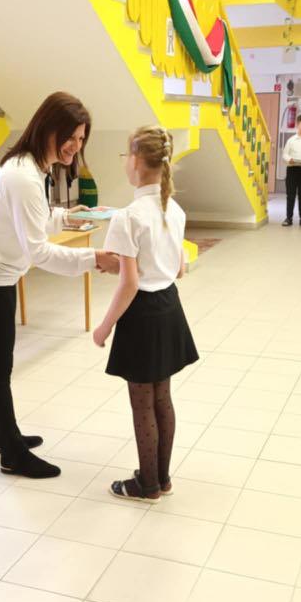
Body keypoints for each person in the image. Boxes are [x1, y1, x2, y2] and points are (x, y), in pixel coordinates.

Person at [0, 92, 119, 480]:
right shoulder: (23, 176)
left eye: (81, 139)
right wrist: (95, 258)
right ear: (48, 129)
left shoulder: (31, 166)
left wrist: (65, 217)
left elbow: (29, 221)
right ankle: (12, 454)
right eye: (70, 137)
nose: (75, 146)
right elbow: (39, 252)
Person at [93, 125, 198, 503]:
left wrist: (104, 326)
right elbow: (179, 269)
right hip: (169, 307)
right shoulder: (174, 209)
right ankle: (162, 479)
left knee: (142, 404)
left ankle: (146, 485)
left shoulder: (129, 216)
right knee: (162, 398)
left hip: (141, 315)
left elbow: (130, 284)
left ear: (136, 162)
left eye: (126, 156)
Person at [281, 114, 301, 227]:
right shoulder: (291, 140)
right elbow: (285, 154)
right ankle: (288, 218)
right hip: (292, 170)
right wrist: (289, 159)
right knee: (290, 195)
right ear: (297, 125)